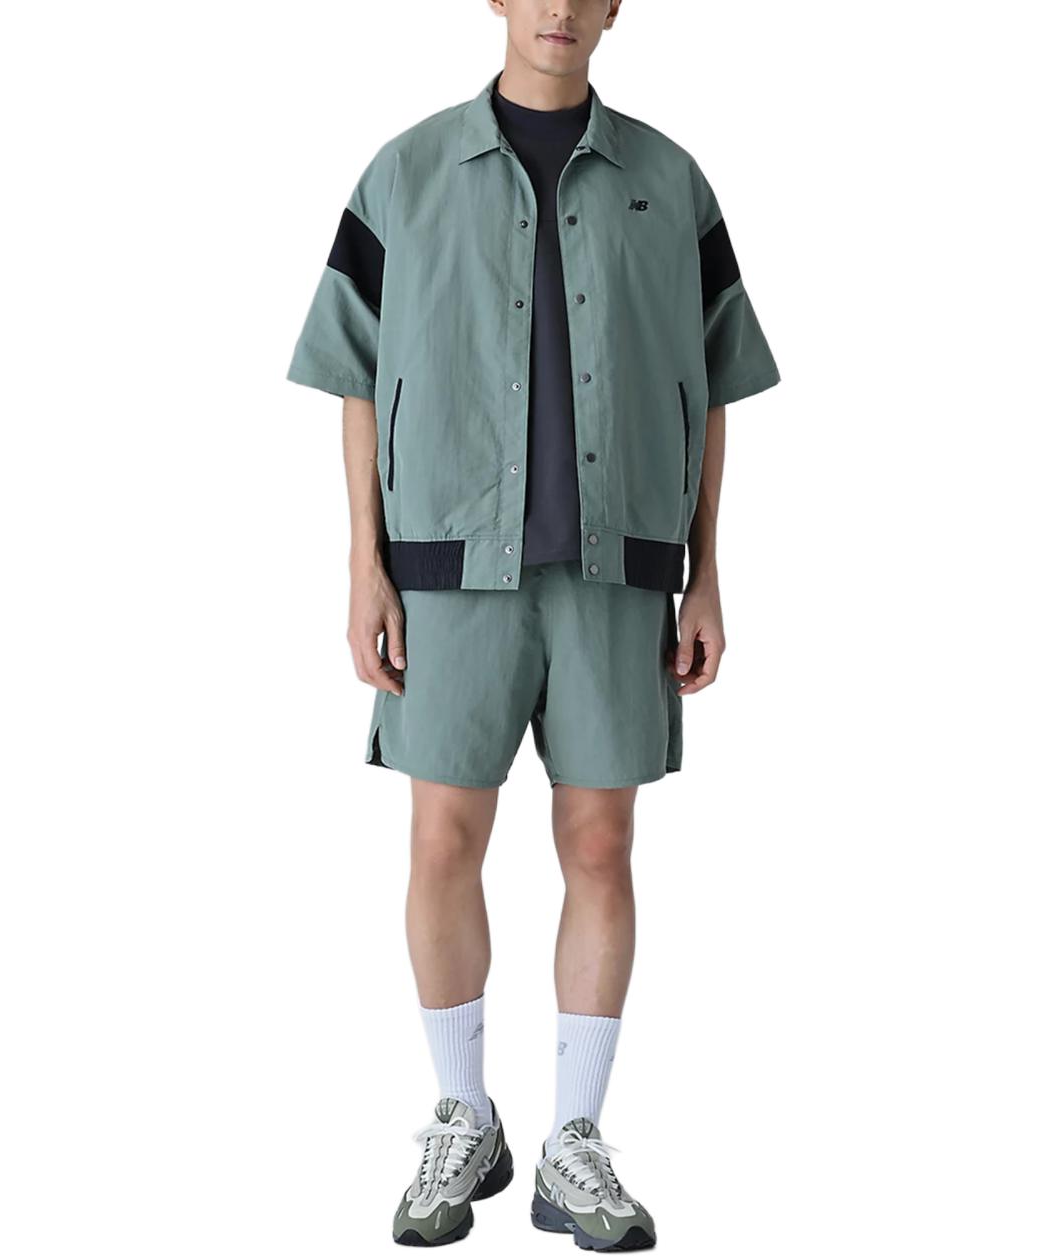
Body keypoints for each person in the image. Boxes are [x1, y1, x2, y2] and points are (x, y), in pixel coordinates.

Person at [287, 2, 779, 1247]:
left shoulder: (670, 182)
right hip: (446, 566)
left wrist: (706, 571)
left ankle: (573, 1139)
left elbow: (715, 382)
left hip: (619, 567)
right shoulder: (404, 172)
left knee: (600, 843)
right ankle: (463, 1110)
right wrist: (362, 565)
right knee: (440, 837)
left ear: (617, 7)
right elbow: (354, 375)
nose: (559, 9)